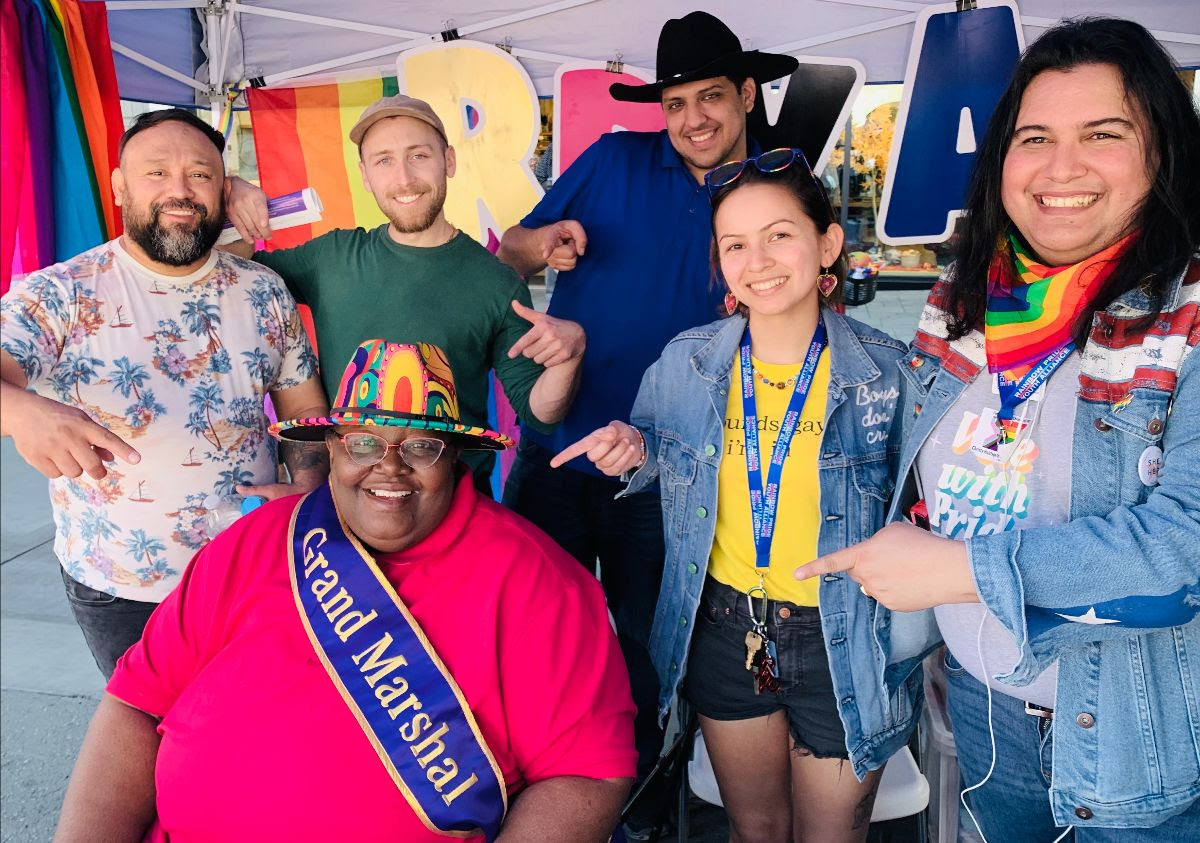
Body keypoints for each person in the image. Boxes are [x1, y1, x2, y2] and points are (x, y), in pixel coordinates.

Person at [795, 18, 1200, 840]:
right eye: (1035, 137)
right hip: (980, 703)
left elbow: (1182, 547)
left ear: (1162, 152)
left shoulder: (1187, 316)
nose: (1061, 168)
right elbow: (917, 470)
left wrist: (958, 570)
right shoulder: (963, 300)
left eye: (1104, 135)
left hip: (1126, 732)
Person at [54, 339, 637, 842]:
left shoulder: (542, 583)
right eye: (362, 441)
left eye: (420, 445)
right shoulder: (260, 539)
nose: (389, 466)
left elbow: (587, 774)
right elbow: (136, 701)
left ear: (454, 457)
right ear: (330, 446)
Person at [555, 150, 912, 842]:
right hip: (725, 628)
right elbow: (665, 454)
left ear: (827, 243)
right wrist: (638, 450)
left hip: (843, 634)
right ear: (719, 263)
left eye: (780, 234)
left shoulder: (889, 372)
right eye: (736, 244)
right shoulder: (685, 362)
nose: (760, 260)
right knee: (756, 831)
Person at [496, 11, 800, 801]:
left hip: (676, 467)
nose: (692, 119)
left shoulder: (775, 187)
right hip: (562, 444)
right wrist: (547, 241)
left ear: (745, 92)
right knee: (533, 633)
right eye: (675, 104)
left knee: (649, 645)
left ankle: (636, 796)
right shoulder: (614, 159)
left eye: (710, 97)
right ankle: (531, 787)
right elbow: (511, 249)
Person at [0, 109, 327, 678]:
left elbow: (306, 412)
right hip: (121, 589)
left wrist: (306, 491)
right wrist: (21, 410)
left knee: (250, 734)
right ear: (120, 186)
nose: (180, 190)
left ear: (223, 191)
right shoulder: (59, 294)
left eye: (198, 174)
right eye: (156, 173)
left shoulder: (264, 292)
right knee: (150, 749)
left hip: (252, 572)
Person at [223, 95, 585, 492]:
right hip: (349, 500)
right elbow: (234, 276)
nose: (404, 179)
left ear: (448, 160)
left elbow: (540, 413)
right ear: (364, 175)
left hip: (450, 502)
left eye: (418, 156)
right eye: (384, 160)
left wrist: (569, 360)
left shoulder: (497, 282)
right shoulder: (331, 257)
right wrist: (232, 199)